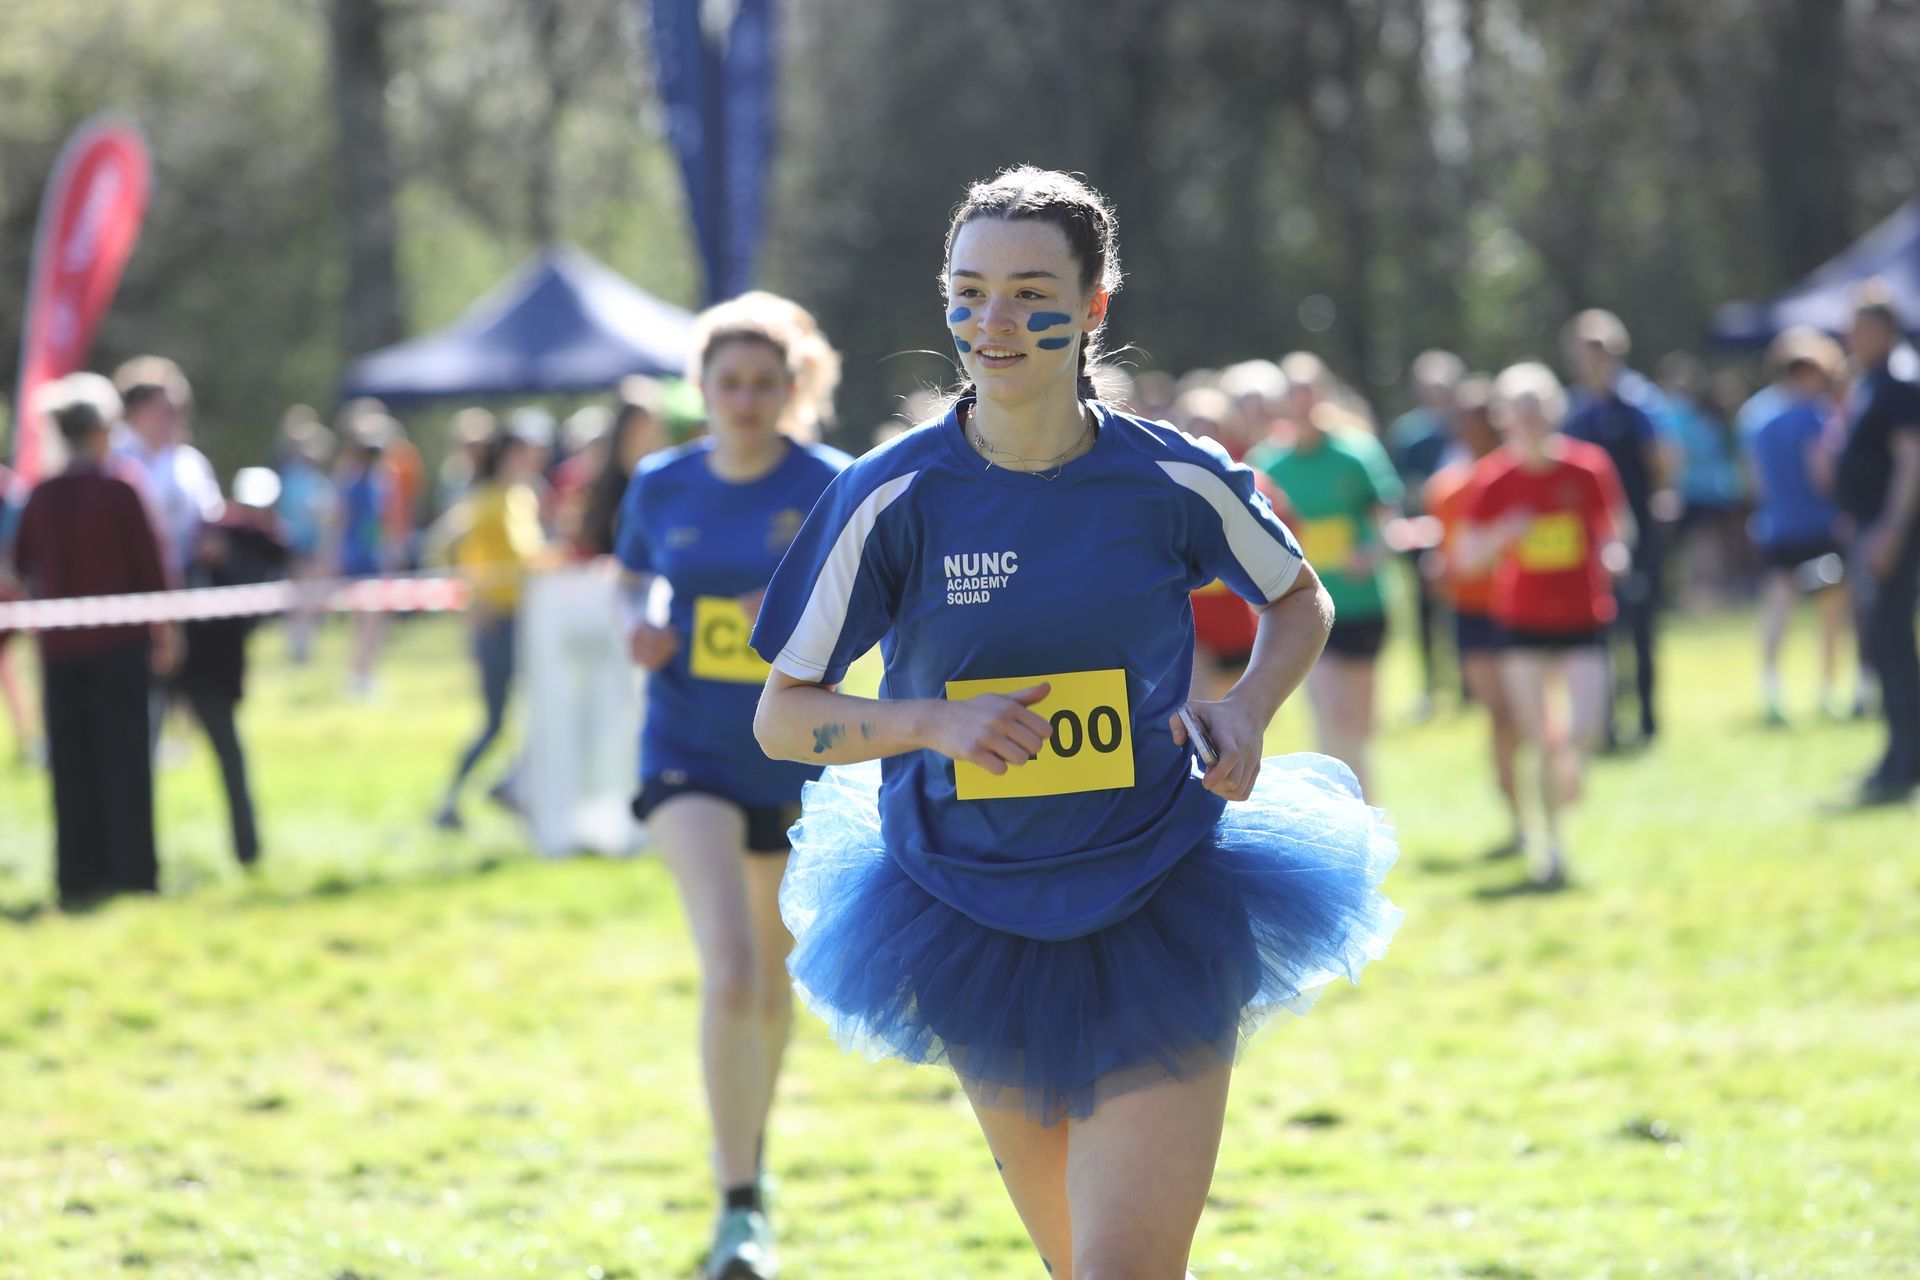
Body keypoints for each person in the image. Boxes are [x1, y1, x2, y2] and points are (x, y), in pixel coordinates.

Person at [750, 166, 1400, 1280]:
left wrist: (1246, 707)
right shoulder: (888, 495)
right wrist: (929, 725)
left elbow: (1298, 598)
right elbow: (782, 716)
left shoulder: (1169, 476)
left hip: (1164, 887)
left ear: (1094, 305)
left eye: (1028, 291)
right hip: (964, 907)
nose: (992, 321)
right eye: (969, 291)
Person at [614, 292, 851, 1280]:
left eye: (766, 383)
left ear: (795, 388)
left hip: (794, 753)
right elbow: (630, 576)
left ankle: (751, 1145)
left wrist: (793, 613)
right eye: (729, 382)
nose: (747, 400)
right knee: (734, 964)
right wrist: (642, 621)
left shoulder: (832, 481)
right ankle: (738, 1197)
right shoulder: (661, 483)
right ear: (700, 390)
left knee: (776, 969)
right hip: (686, 749)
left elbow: (866, 609)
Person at [1461, 363, 1629, 888]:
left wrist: (1616, 553)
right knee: (1537, 738)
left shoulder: (1588, 468)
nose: (1529, 421)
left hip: (1584, 613)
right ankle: (1550, 848)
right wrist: (1504, 534)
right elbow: (1465, 556)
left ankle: (1569, 766)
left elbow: (1618, 530)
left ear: (1553, 412)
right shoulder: (1493, 479)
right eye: (1519, 411)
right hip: (1521, 619)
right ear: (1506, 418)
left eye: (1538, 409)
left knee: (1587, 728)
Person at [9, 376, 171, 907]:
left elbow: (19, 569)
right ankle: (131, 873)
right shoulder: (122, 488)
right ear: (102, 431)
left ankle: (76, 876)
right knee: (124, 761)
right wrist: (167, 635)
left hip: (60, 652)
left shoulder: (42, 495)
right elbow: (154, 569)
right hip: (117, 648)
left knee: (73, 764)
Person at [1256, 351, 1403, 798]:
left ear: (1323, 395)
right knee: (1330, 715)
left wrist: (1369, 553)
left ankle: (1369, 808)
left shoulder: (1356, 453)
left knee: (1359, 724)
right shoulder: (1268, 465)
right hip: (1304, 609)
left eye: (1309, 392)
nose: (1302, 403)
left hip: (1361, 603)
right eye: (1293, 394)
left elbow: (1387, 517)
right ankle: (1346, 813)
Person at [1561, 310, 1671, 748]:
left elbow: (1661, 459)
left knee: (1640, 627)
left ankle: (1646, 720)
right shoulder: (1574, 408)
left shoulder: (1637, 402)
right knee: (1597, 630)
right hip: (1585, 539)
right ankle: (1604, 723)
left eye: (1598, 351)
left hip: (1634, 531)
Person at [1422, 377, 1522, 854]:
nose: (1471, 429)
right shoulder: (1445, 489)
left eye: (1480, 421)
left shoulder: (1517, 479)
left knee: (1523, 713)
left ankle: (1527, 803)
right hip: (1473, 614)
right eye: (1464, 421)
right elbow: (1447, 559)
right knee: (1501, 712)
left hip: (1523, 612)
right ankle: (1515, 806)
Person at [432, 428, 550, 830]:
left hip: (525, 621)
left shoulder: (523, 497)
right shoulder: (485, 500)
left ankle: (510, 785)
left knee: (544, 709)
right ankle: (449, 800)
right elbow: (444, 543)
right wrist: (471, 596)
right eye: (524, 453)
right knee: (495, 721)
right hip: (497, 623)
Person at [1833, 287, 1920, 804]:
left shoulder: (1899, 383)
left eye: (1860, 328)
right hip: (1872, 529)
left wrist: (1890, 527)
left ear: (1884, 331)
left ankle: (1906, 758)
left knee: (1892, 641)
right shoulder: (1873, 383)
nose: (1851, 337)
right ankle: (1898, 750)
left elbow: (1912, 461)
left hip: (1897, 534)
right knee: (1882, 644)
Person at [1740, 329, 1852, 724]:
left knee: (1776, 613)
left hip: (1776, 528)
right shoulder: (1815, 416)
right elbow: (1821, 474)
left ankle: (1771, 690)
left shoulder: (1756, 416)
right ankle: (1827, 691)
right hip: (1818, 528)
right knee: (1830, 614)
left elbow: (1753, 481)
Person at [179, 467, 288, 867]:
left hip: (215, 668)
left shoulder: (265, 547)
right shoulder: (214, 529)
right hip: (180, 658)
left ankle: (248, 851)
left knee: (229, 754)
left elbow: (249, 617)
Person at [1388, 350, 1468, 717]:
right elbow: (1400, 485)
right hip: (1422, 532)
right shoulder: (1409, 433)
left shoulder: (1468, 425)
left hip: (1463, 532)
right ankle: (1432, 685)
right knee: (1424, 614)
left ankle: (1468, 685)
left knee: (1465, 610)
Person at [331, 414, 397, 698]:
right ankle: (360, 676)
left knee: (371, 621)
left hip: (370, 557)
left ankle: (363, 673)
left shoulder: (377, 483)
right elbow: (343, 520)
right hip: (360, 559)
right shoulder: (354, 483)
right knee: (367, 621)